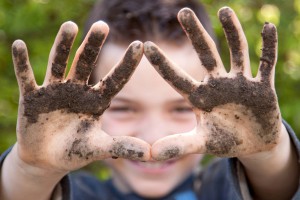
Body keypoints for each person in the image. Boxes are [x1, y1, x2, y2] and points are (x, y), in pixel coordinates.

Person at [1, 0, 299, 199]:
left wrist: (268, 156)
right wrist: (33, 171)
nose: (155, 137)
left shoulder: (219, 188)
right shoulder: (77, 192)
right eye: (123, 108)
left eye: (182, 107)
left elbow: (277, 189)